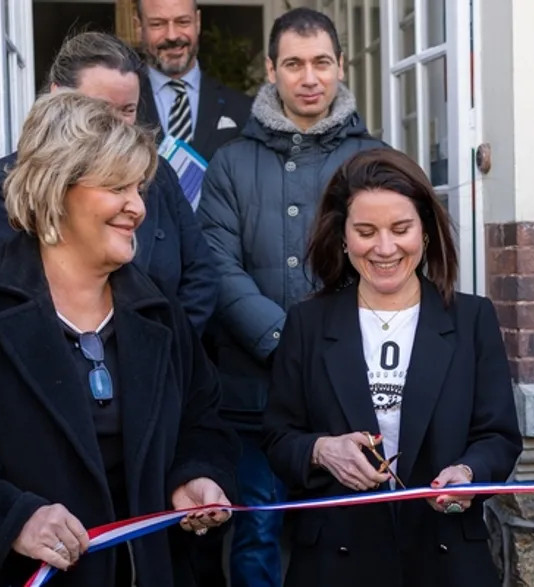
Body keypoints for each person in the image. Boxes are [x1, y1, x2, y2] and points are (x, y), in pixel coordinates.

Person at [0, 90, 239, 587]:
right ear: (57, 187)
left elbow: (202, 418)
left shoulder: (158, 311)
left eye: (139, 188)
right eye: (117, 186)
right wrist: (9, 518)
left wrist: (195, 473)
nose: (137, 207)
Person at [262, 147, 522, 587]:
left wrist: (468, 473)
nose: (385, 248)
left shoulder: (472, 319)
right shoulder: (307, 323)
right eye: (366, 231)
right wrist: (321, 450)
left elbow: (499, 436)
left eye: (401, 229)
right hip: (335, 562)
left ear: (426, 231)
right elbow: (277, 437)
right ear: (343, 237)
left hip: (446, 558)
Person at [197, 7, 387, 586]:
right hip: (252, 389)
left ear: (341, 66)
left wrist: (322, 347)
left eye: (321, 63)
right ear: (271, 69)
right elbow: (216, 266)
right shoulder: (230, 163)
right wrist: (284, 341)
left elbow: (387, 260)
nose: (309, 78)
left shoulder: (373, 159)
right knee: (257, 529)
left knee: (344, 530)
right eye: (294, 64)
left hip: (349, 382)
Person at [0, 31, 218, 333]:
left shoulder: (159, 174)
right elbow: (2, 291)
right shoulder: (6, 180)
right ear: (58, 97)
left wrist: (167, 348)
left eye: (128, 110)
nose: (117, 124)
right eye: (101, 108)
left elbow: (200, 274)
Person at [134, 0, 254, 163]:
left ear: (197, 22)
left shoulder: (243, 109)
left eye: (183, 22)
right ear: (139, 27)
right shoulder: (120, 107)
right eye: (158, 24)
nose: (172, 36)